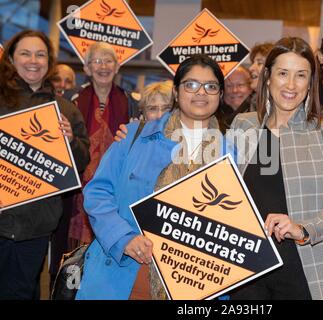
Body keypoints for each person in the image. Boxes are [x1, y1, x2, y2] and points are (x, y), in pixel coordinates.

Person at [76, 55, 234, 299]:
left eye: (211, 86)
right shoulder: (132, 137)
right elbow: (97, 192)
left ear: (220, 95)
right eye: (191, 84)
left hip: (197, 279)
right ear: (176, 91)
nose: (201, 93)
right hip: (127, 272)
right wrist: (123, 238)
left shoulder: (231, 152)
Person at [228, 37, 323, 300]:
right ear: (268, 78)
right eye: (283, 73)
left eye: (301, 75)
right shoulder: (243, 126)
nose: (290, 85)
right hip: (247, 274)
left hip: (306, 273)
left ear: (310, 82)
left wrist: (304, 228)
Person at [0, 30, 89, 299]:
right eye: (25, 53)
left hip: (35, 227)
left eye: (40, 54)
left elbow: (81, 161)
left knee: (21, 292)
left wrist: (71, 142)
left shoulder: (67, 110)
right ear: (11, 59)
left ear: (49, 61)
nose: (33, 60)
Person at [67, 42, 139, 250]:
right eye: (96, 61)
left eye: (108, 61)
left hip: (115, 186)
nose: (103, 66)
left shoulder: (130, 101)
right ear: (87, 69)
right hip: (76, 189)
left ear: (117, 67)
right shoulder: (71, 99)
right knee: (72, 250)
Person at [217, 67, 252, 132]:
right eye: (229, 86)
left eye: (240, 85)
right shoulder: (214, 118)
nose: (235, 90)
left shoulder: (261, 115)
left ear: (250, 88)